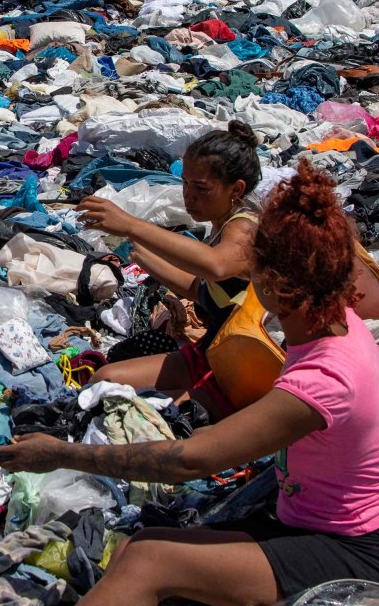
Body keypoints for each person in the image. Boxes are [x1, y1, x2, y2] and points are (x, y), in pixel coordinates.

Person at [0, 161, 379, 606]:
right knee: (149, 559)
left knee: (148, 558)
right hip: (309, 519)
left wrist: (60, 454)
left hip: (358, 556)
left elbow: (188, 459)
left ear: (277, 284)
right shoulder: (336, 321)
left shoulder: (326, 376)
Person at [75, 121, 263, 413]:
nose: (189, 195)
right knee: (105, 380)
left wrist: (132, 225)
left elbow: (216, 266)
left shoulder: (245, 227)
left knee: (151, 412)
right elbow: (204, 291)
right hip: (214, 353)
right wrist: (145, 259)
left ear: (236, 189)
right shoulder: (221, 227)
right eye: (186, 183)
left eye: (201, 188)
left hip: (239, 369)